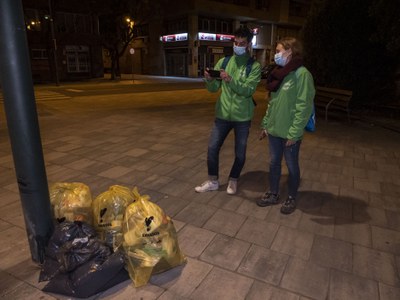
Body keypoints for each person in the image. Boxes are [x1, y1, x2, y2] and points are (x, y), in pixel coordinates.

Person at [195, 26, 261, 195]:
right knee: (212, 148)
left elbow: (248, 91)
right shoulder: (224, 62)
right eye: (236, 42)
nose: (238, 45)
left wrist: (231, 80)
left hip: (242, 117)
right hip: (222, 115)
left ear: (248, 45)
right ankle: (213, 181)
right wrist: (209, 80)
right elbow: (213, 88)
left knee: (240, 153)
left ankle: (233, 180)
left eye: (242, 43)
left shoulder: (253, 66)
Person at [257, 37, 315, 214]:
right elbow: (273, 102)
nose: (276, 54)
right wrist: (266, 124)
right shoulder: (280, 73)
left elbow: (303, 106)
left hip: (290, 133)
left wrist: (295, 133)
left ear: (290, 51)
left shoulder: (302, 74)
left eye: (278, 50)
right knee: (274, 163)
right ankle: (273, 193)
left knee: (291, 165)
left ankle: (291, 197)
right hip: (274, 130)